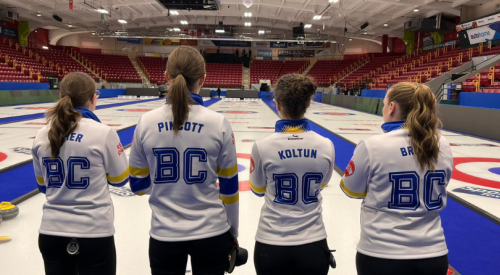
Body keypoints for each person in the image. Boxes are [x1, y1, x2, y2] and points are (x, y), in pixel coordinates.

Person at [128, 46, 239, 275]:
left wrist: (168, 187)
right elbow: (229, 189)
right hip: (211, 232)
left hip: (164, 233)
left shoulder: (145, 122)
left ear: (167, 77)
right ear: (203, 79)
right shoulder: (218, 122)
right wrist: (233, 232)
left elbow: (137, 184)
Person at [340, 82, 453, 275]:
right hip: (433, 254)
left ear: (392, 107)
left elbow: (351, 189)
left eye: (384, 104)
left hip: (382, 254)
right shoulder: (442, 144)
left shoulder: (373, 145)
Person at [32, 72, 129, 275]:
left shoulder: (42, 134)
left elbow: (43, 186)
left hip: (51, 232)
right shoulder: (103, 132)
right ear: (94, 98)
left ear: (61, 96)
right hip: (94, 232)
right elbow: (120, 179)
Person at [250, 74, 335, 275]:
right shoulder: (326, 145)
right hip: (313, 242)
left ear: (277, 104)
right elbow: (322, 183)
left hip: (271, 242)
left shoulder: (262, 146)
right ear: (308, 104)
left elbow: (258, 189)